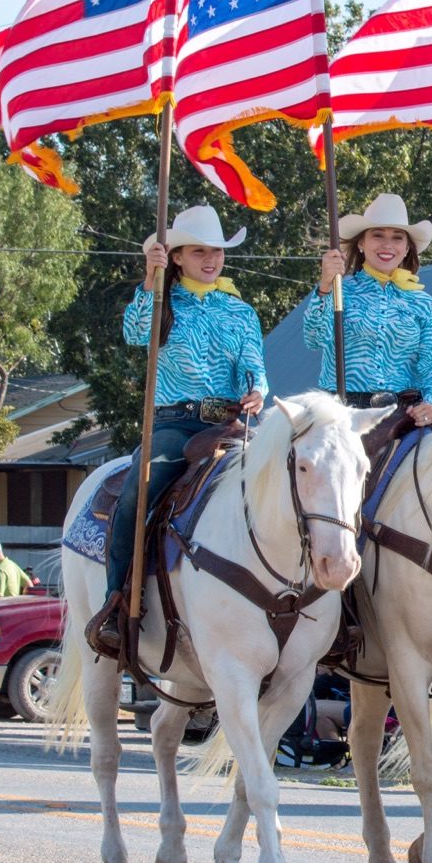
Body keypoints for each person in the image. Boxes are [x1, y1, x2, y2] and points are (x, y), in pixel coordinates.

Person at [96, 205, 267, 653]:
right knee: (138, 491)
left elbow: (255, 365)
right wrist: (148, 280)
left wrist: (259, 391)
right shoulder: (161, 303)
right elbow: (135, 333)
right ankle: (116, 600)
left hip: (234, 421)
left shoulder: (241, 311)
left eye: (217, 251)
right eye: (199, 252)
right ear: (177, 257)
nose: (211, 259)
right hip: (176, 422)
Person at [306, 193, 432, 425]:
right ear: (361, 243)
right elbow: (314, 339)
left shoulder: (424, 303)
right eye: (378, 235)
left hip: (403, 415)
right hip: (342, 413)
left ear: (406, 248)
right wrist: (324, 287)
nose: (387, 245)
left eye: (397, 238)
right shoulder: (339, 289)